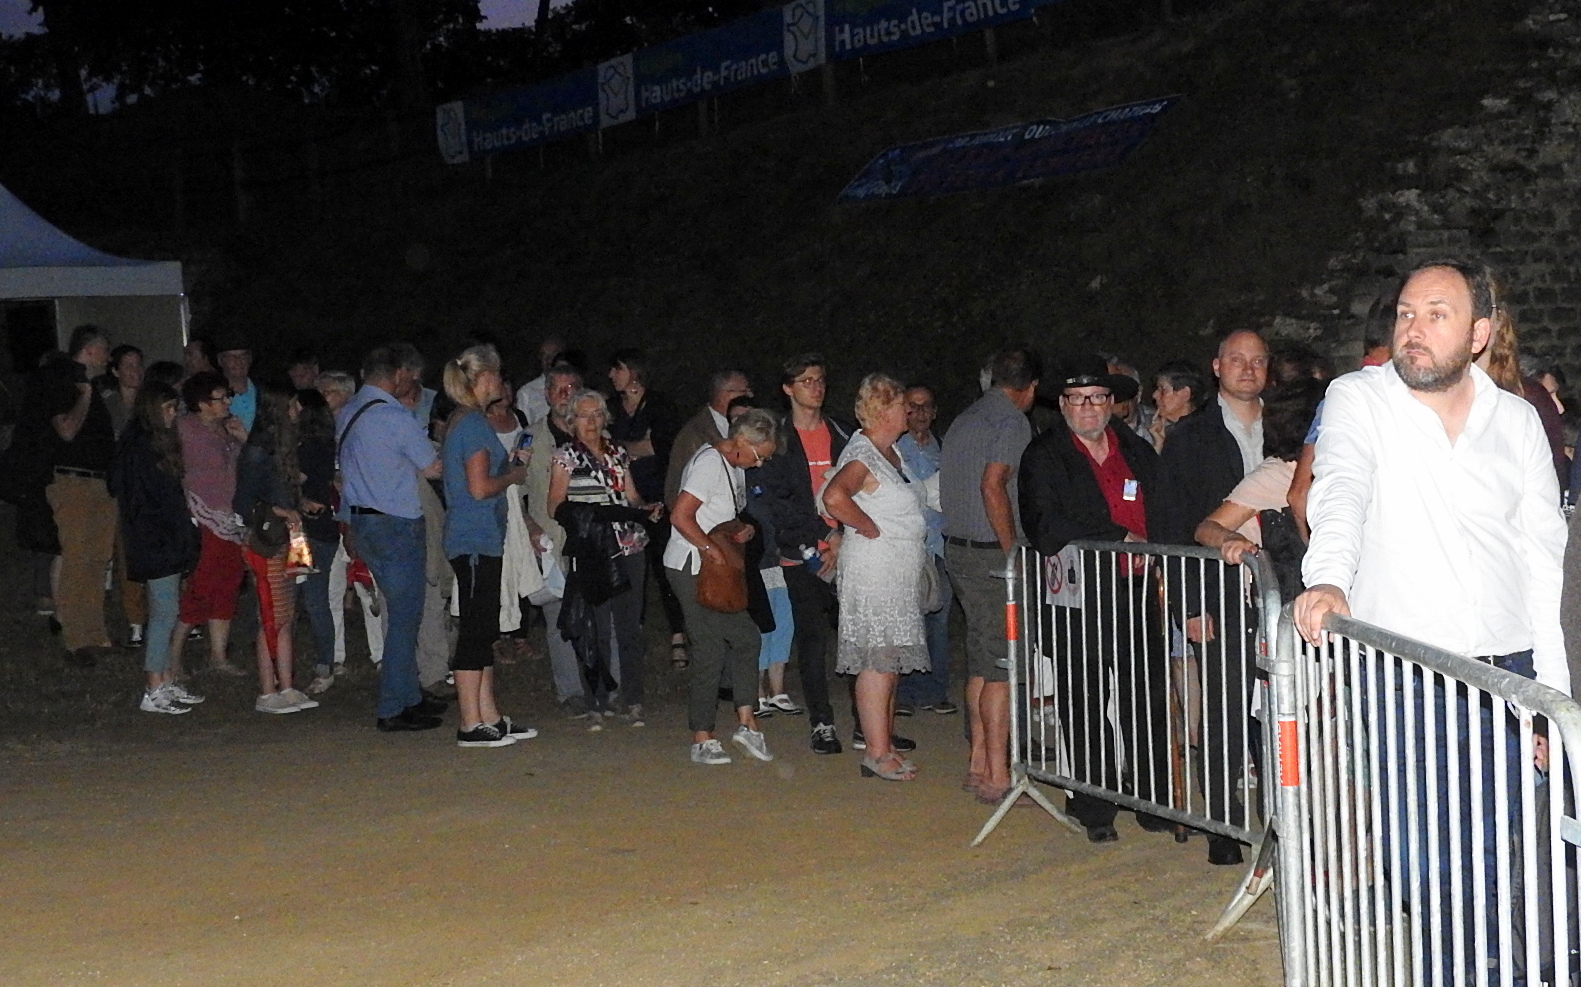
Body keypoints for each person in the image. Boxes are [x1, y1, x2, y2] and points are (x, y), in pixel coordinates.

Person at [1295, 258, 1567, 984]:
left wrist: (1553, 702)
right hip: (1405, 674)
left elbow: (1545, 562)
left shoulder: (1516, 421)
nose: (1412, 330)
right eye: (1405, 313)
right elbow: (1339, 487)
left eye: (1435, 314)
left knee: (1501, 853)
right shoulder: (1358, 398)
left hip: (1506, 679)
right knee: (1425, 862)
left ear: (1479, 333)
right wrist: (1326, 576)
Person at [1018, 355, 1170, 838]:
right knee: (1084, 701)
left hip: (1136, 591)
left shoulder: (1136, 450)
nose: (1088, 407)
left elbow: (1164, 505)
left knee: (1143, 697)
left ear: (1112, 403)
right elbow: (1045, 522)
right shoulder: (1043, 455)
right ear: (1062, 405)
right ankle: (1096, 805)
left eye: (1098, 397)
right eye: (1078, 398)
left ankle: (1153, 800)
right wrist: (1115, 536)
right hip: (1078, 599)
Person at [1154, 328, 1268, 866]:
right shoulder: (1190, 437)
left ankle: (1277, 818)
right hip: (1216, 591)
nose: (1248, 369)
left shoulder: (1288, 430)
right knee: (1222, 709)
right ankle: (1223, 822)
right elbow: (1174, 524)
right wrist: (1189, 606)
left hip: (1278, 592)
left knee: (1275, 707)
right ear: (1217, 367)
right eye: (1237, 360)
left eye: (1258, 360)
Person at [939, 346, 1041, 802]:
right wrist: (1011, 551)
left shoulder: (965, 418)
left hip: (958, 550)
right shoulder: (1012, 422)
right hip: (987, 556)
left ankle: (979, 761)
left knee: (981, 658)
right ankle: (999, 773)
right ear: (1031, 387)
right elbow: (992, 484)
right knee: (1001, 662)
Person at [821, 373, 929, 781]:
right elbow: (834, 496)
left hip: (897, 568)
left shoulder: (891, 452)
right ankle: (876, 752)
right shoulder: (863, 453)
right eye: (904, 404)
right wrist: (865, 527)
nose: (911, 412)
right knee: (877, 660)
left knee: (889, 660)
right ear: (885, 410)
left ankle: (883, 744)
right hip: (875, 570)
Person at [338, 343, 447, 733]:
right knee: (405, 620)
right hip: (397, 524)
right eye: (412, 376)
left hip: (365, 522)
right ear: (398, 373)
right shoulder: (394, 416)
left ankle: (409, 698)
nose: (414, 383)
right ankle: (392, 706)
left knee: (399, 615)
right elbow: (433, 467)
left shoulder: (349, 411)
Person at [666, 409, 780, 765]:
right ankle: (702, 737)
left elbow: (712, 514)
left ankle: (747, 724)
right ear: (742, 441)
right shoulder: (710, 463)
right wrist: (711, 549)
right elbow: (681, 515)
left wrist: (735, 530)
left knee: (747, 638)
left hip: (715, 566)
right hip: (692, 567)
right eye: (760, 455)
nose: (760, 463)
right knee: (710, 648)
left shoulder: (732, 465)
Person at [756, 353, 855, 755]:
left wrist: (842, 534)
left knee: (855, 638)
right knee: (812, 641)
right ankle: (822, 723)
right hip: (802, 555)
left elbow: (861, 488)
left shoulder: (843, 434)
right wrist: (823, 536)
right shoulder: (778, 440)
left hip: (847, 548)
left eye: (820, 380)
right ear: (788, 388)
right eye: (806, 380)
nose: (815, 387)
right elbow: (779, 504)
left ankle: (868, 724)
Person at [441, 344, 536, 748]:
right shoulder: (474, 426)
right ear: (483, 379)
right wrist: (514, 475)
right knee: (476, 630)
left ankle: (488, 717)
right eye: (496, 375)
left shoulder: (465, 421)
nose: (501, 382)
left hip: (479, 538)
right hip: (474, 538)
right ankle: (469, 723)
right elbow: (479, 489)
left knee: (482, 628)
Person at [548, 389, 661, 727]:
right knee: (594, 627)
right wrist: (592, 516)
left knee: (629, 627)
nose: (592, 421)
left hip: (629, 546)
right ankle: (596, 699)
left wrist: (646, 510)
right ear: (572, 421)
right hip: (593, 550)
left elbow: (632, 497)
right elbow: (554, 506)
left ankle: (632, 698)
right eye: (584, 415)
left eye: (597, 414)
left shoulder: (617, 453)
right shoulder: (565, 456)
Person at [111, 381, 203, 714]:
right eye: (167, 409)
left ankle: (165, 679)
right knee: (164, 612)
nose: (173, 415)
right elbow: (148, 501)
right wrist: (171, 535)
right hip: (155, 541)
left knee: (169, 609)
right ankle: (153, 687)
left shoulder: (153, 444)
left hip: (165, 540)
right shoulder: (140, 448)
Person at [1194, 378, 1326, 600]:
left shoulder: (1329, 469)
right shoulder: (1277, 473)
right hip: (1278, 605)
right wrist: (1230, 539)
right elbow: (1207, 528)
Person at [235, 383, 317, 715]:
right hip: (265, 543)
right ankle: (268, 692)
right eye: (294, 406)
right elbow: (242, 503)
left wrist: (299, 505)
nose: (298, 412)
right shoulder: (257, 452)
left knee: (284, 617)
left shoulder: (277, 451)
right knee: (270, 615)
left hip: (285, 538)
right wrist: (281, 512)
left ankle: (287, 686)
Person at [45, 326, 120, 666]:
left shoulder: (92, 387)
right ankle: (75, 639)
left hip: (99, 485)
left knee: (96, 560)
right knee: (78, 560)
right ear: (89, 351)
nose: (108, 357)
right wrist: (86, 395)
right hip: (73, 484)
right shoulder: (65, 383)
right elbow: (66, 430)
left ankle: (95, 633)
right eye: (105, 350)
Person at [607, 348, 685, 671]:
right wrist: (636, 448)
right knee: (629, 569)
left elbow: (664, 447)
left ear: (632, 371)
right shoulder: (611, 408)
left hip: (660, 498)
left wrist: (628, 448)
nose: (611, 376)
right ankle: (631, 634)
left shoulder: (660, 405)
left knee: (664, 567)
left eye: (617, 369)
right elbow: (605, 446)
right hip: (625, 500)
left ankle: (678, 635)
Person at [524, 364, 591, 717]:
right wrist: (531, 529)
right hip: (551, 542)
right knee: (558, 618)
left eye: (572, 387)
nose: (565, 394)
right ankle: (571, 692)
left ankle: (602, 685)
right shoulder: (530, 438)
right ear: (547, 394)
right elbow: (511, 494)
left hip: (593, 541)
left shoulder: (595, 434)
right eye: (558, 388)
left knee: (598, 614)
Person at [172, 371, 248, 676]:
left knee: (228, 582)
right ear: (202, 403)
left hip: (229, 517)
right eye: (220, 397)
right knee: (202, 584)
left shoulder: (224, 429)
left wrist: (242, 439)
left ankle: (218, 656)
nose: (228, 401)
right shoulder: (186, 429)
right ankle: (173, 654)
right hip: (203, 516)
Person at [894, 384, 956, 717]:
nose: (918, 413)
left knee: (939, 622)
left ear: (933, 412)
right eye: (912, 407)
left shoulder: (944, 448)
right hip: (905, 548)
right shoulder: (893, 448)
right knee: (906, 622)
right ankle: (903, 692)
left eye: (925, 407)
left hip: (938, 546)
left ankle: (934, 690)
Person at [295, 388, 344, 694]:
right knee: (314, 597)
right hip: (318, 530)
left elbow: (293, 480)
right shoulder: (324, 444)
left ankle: (325, 665)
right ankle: (323, 662)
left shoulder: (310, 447)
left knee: (315, 598)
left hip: (312, 531)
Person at [102, 344, 148, 648]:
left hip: (148, 488)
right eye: (127, 366)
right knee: (126, 553)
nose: (134, 372)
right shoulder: (107, 406)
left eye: (138, 365)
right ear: (116, 371)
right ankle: (135, 621)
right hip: (121, 489)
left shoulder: (152, 404)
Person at [1147, 360, 1208, 452]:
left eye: (1163, 389)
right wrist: (1159, 446)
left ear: (1185, 394)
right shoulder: (1168, 432)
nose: (1155, 395)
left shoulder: (1204, 435)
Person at [513, 335, 566, 426]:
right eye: (544, 355)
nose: (548, 360)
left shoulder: (573, 387)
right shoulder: (526, 392)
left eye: (553, 354)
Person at [215, 334, 257, 433]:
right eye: (231, 357)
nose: (238, 361)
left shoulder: (264, 392)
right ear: (220, 361)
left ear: (249, 359)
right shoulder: (213, 398)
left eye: (243, 356)